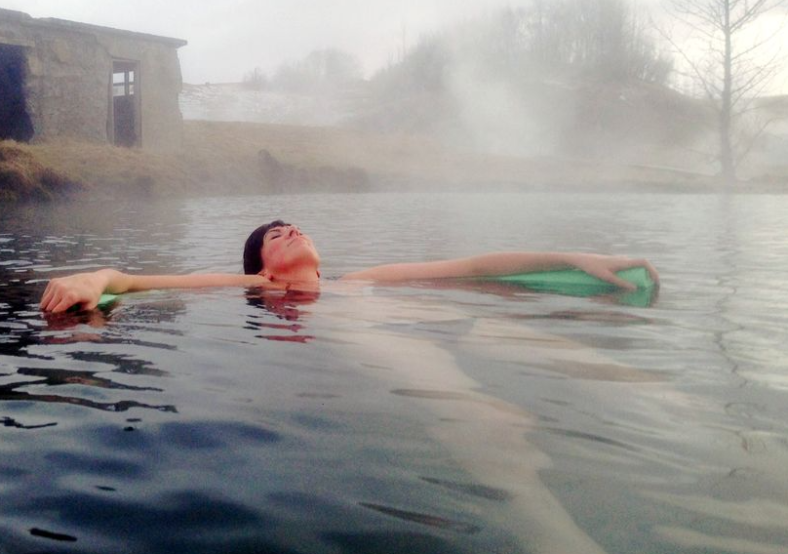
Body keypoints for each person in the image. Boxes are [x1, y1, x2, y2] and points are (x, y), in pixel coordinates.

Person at [40, 219, 659, 313]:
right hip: (357, 342)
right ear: (264, 266)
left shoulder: (355, 282)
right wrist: (92, 282)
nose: (292, 230)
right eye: (277, 234)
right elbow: (131, 281)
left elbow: (468, 264)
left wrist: (576, 256)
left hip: (407, 320)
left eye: (294, 224)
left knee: (515, 327)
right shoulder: (258, 287)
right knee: (496, 420)